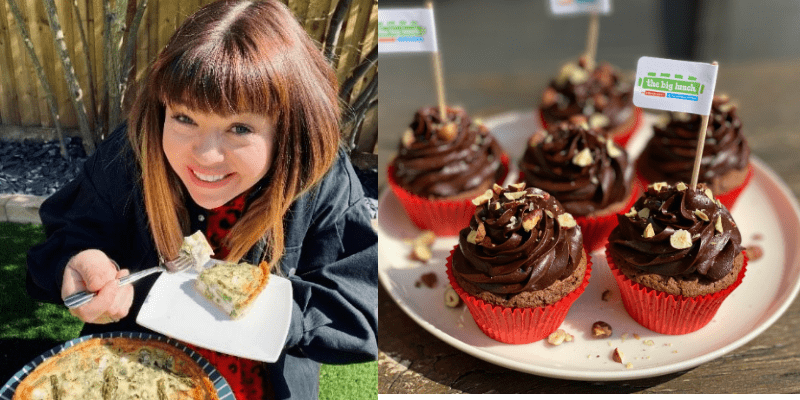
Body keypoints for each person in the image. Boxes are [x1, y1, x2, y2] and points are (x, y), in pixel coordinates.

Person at [25, 0, 378, 398]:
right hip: (134, 376)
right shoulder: (131, 154)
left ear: (288, 128)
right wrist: (76, 262)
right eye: (184, 118)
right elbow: (61, 243)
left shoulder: (318, 179)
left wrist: (272, 313)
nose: (206, 157)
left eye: (240, 127)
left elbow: (362, 313)